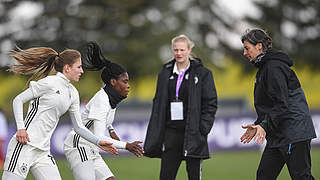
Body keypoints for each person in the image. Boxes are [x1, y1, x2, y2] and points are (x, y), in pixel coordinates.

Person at [2, 46, 118, 180]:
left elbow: (79, 127)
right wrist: (21, 129)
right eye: (79, 67)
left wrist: (98, 141)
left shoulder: (73, 93)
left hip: (43, 152)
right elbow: (18, 100)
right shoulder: (48, 83)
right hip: (24, 146)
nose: (82, 71)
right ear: (67, 68)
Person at [240, 28, 316, 180]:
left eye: (247, 48)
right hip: (278, 133)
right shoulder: (264, 67)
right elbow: (271, 105)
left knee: (301, 177)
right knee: (264, 176)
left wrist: (264, 125)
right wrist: (259, 125)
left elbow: (282, 104)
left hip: (293, 132)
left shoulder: (274, 67)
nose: (244, 53)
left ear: (259, 46)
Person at [63, 42, 144, 180]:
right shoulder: (102, 100)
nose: (128, 86)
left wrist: (112, 131)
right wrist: (127, 145)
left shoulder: (110, 97)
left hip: (92, 148)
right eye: (125, 81)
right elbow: (100, 136)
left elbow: (104, 119)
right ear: (113, 82)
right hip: (79, 145)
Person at [144, 34, 218, 180]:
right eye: (176, 50)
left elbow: (211, 103)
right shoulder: (165, 73)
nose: (179, 53)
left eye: (182, 50)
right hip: (171, 134)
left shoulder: (203, 74)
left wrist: (203, 128)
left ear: (189, 50)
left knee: (194, 176)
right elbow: (158, 102)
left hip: (193, 134)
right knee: (166, 176)